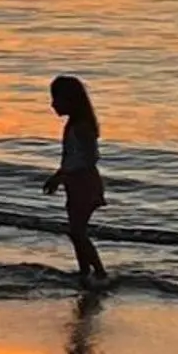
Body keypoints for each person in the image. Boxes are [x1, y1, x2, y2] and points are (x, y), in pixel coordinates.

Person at [43, 75, 108, 285]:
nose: (53, 104)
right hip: (75, 181)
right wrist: (59, 176)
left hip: (84, 183)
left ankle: (99, 273)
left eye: (56, 99)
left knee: (77, 232)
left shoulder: (81, 126)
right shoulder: (73, 125)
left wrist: (62, 175)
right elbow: (72, 157)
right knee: (75, 231)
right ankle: (85, 272)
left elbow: (90, 157)